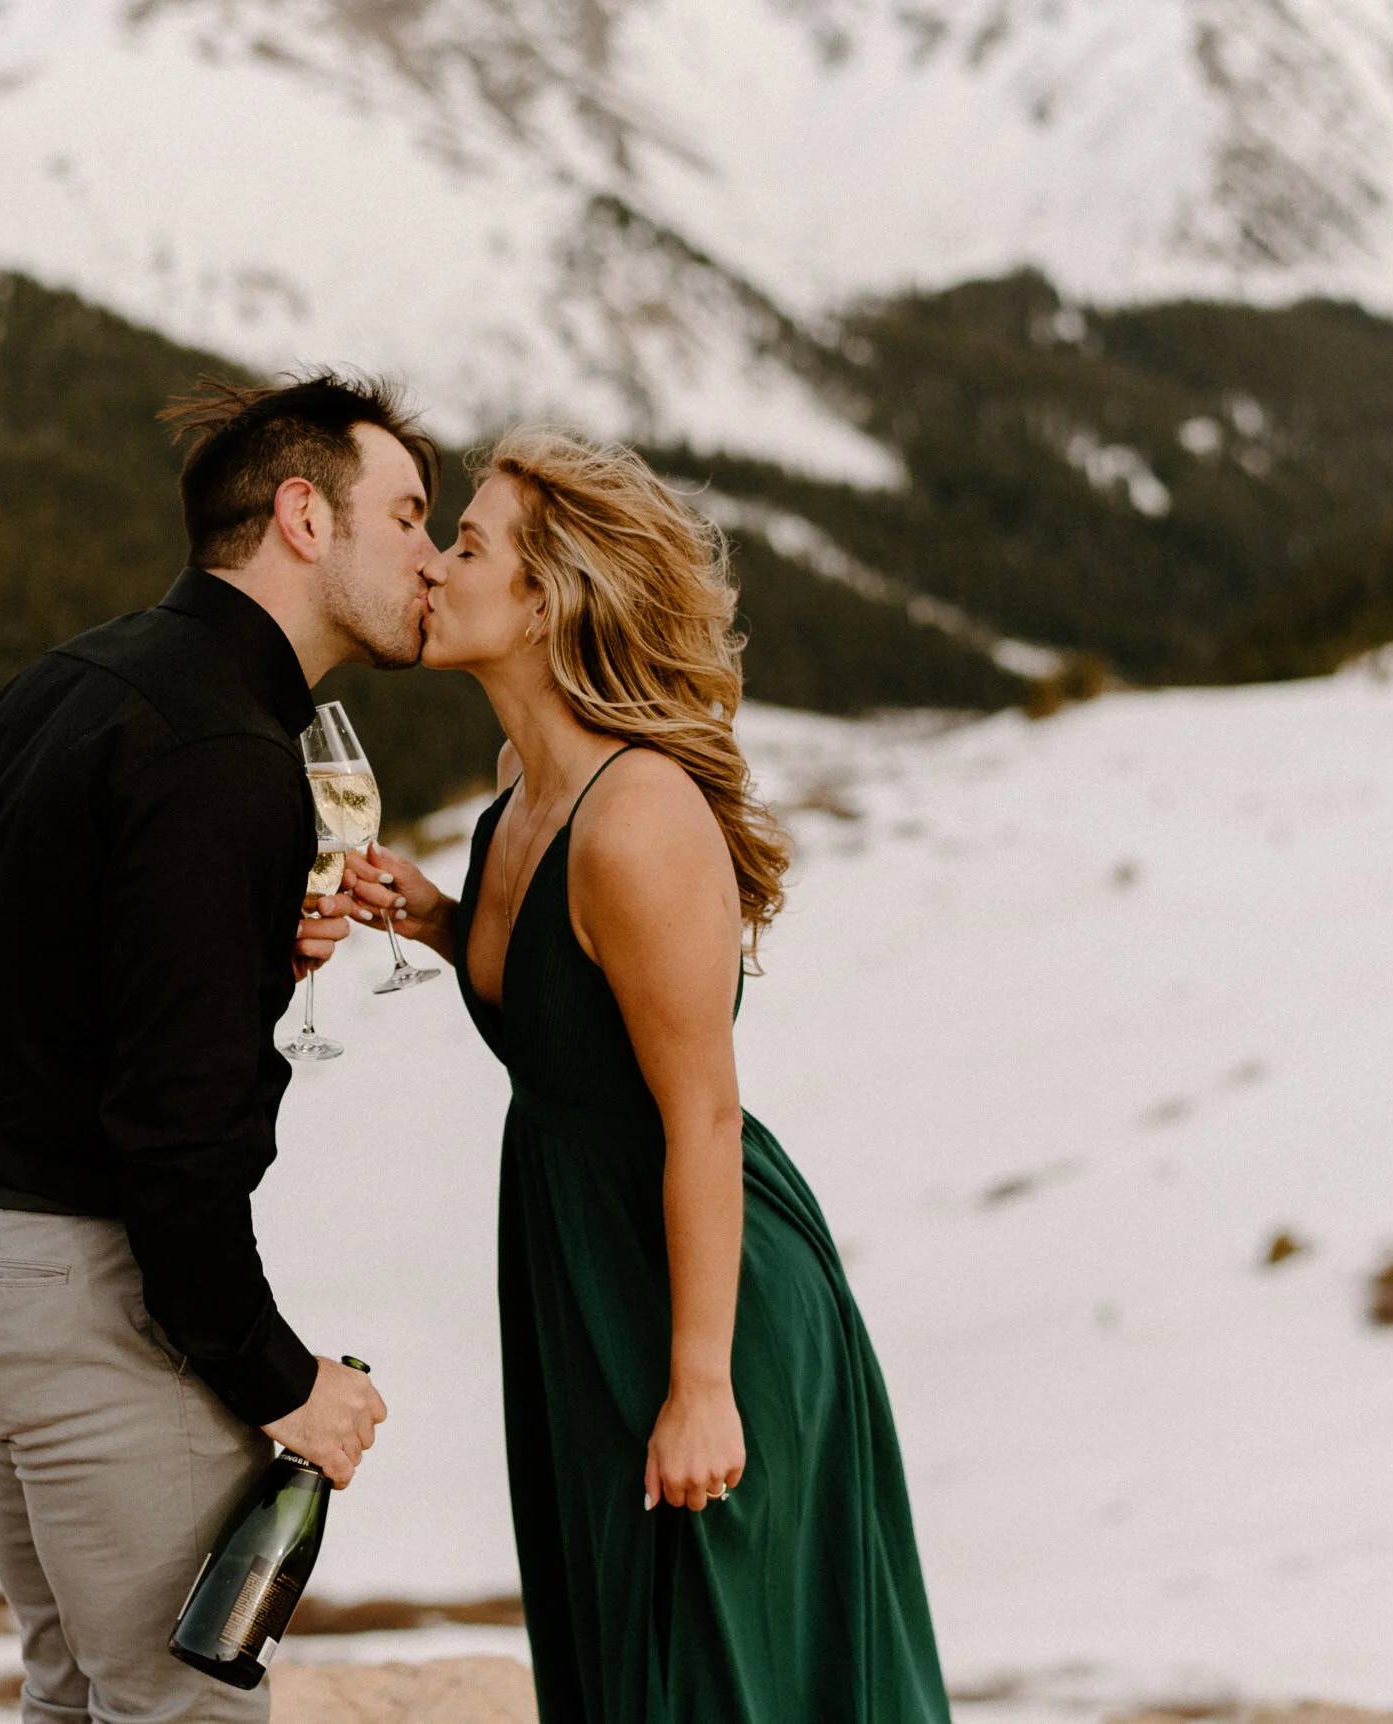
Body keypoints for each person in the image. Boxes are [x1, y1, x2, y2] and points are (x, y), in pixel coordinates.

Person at [347, 430, 952, 1722]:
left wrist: (699, 1385)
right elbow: (574, 1013)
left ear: (548, 597)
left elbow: (702, 1113)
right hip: (579, 1264)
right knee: (624, 1655)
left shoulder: (639, 818)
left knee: (717, 1674)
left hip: (695, 1286)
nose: (435, 567)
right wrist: (441, 920)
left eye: (467, 547)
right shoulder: (520, 796)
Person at [0, 374, 431, 1724]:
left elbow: (44, 968)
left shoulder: (71, 682)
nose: (432, 557)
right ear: (304, 517)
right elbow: (172, 1138)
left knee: (76, 1691)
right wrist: (281, 1382)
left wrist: (245, 948)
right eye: (412, 516)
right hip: (79, 1286)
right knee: (179, 1707)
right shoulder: (220, 753)